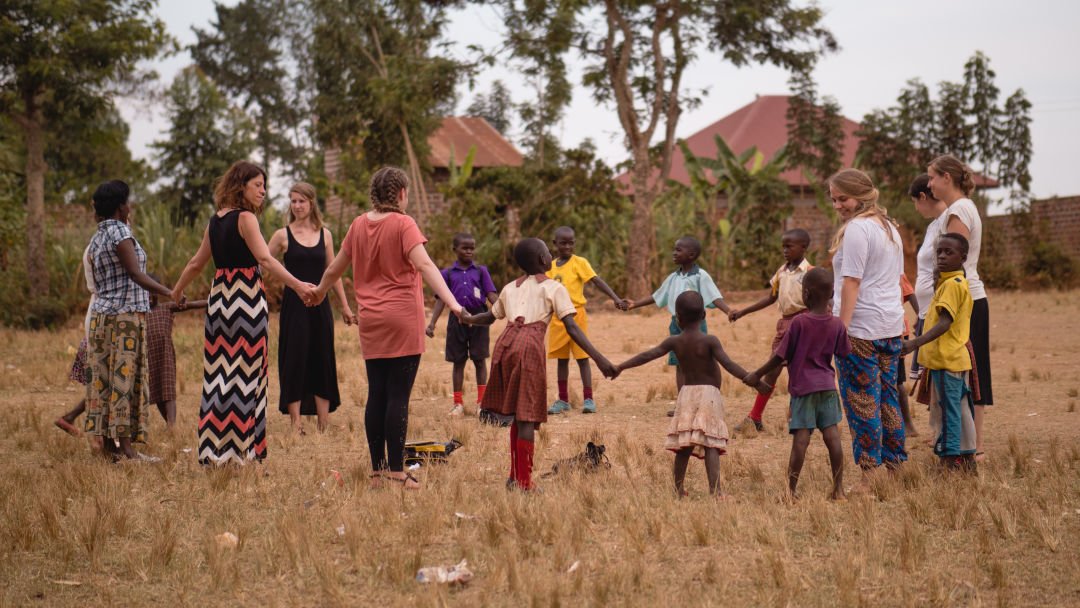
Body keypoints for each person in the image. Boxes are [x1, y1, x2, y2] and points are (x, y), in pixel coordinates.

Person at [311, 167, 463, 490]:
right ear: (402, 194)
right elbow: (424, 264)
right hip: (403, 319)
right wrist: (455, 305)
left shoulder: (357, 225)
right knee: (398, 396)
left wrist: (319, 292)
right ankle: (397, 472)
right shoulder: (403, 224)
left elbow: (335, 268)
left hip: (371, 320)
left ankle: (378, 472)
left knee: (376, 393)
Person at [173, 161, 316, 465]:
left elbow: (196, 263)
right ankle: (243, 452)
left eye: (265, 185)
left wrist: (176, 292)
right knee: (247, 374)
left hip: (219, 298)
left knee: (218, 374)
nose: (263, 191)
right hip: (246, 298)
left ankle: (214, 450)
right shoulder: (246, 218)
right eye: (257, 185)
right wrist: (298, 285)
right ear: (241, 186)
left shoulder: (215, 221)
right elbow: (265, 259)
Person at [461, 238, 616, 492]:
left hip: (505, 345)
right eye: (548, 251)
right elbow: (572, 328)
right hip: (528, 347)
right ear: (544, 260)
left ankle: (514, 477)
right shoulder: (554, 288)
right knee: (526, 417)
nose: (551, 254)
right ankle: (524, 483)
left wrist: (467, 318)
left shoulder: (510, 287)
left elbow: (490, 317)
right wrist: (600, 359)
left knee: (514, 414)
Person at [616, 291, 760, 498]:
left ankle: (678, 489)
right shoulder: (710, 340)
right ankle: (716, 491)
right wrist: (751, 379)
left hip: (686, 395)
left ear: (678, 318)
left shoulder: (675, 341)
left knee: (684, 443)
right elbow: (728, 364)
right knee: (711, 442)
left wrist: (620, 366)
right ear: (704, 315)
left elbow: (647, 355)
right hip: (709, 395)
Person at [827, 168, 906, 490]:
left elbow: (852, 281)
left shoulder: (859, 228)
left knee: (861, 401)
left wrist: (840, 329)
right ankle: (895, 464)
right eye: (833, 199)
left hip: (861, 327)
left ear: (860, 195)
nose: (838, 206)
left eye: (842, 198)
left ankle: (870, 473)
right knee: (888, 397)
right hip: (889, 324)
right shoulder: (889, 227)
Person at [84, 180, 173, 461]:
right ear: (122, 206)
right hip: (124, 318)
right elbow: (136, 274)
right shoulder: (120, 232)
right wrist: (171, 293)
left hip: (101, 317)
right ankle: (129, 451)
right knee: (124, 381)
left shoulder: (97, 236)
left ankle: (111, 448)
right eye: (128, 202)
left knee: (106, 381)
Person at [743, 268, 849, 500]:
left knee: (801, 440)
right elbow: (843, 353)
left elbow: (779, 357)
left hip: (803, 389)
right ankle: (838, 489)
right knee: (832, 437)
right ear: (832, 293)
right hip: (828, 388)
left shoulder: (799, 323)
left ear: (806, 295)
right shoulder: (838, 324)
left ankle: (791, 492)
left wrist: (757, 375)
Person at [267, 182, 354, 434]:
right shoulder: (281, 235)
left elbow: (334, 272)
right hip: (294, 308)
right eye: (293, 201)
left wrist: (346, 307)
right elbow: (262, 263)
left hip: (321, 306)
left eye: (301, 201)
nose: (297, 206)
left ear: (311, 203)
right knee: (294, 359)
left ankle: (323, 423)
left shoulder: (325, 234)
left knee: (322, 358)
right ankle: (295, 424)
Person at [928, 155, 993, 462]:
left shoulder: (959, 210)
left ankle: (972, 446)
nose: (929, 184)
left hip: (962, 302)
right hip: (956, 300)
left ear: (946, 178)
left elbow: (955, 259)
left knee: (970, 374)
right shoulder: (955, 209)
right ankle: (963, 443)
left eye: (932, 177)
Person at [624, 236, 731, 415]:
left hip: (697, 326)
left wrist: (728, 311)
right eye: (674, 249)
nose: (674, 253)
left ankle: (707, 401)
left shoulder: (700, 276)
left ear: (691, 255)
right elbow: (657, 295)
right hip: (676, 324)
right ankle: (683, 404)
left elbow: (714, 296)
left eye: (678, 250)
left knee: (703, 363)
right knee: (680, 364)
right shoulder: (673, 277)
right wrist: (635, 304)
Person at [901, 234, 976, 472]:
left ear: (963, 257)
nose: (942, 256)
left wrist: (915, 344)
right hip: (950, 360)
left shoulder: (953, 286)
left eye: (949, 252)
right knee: (959, 410)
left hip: (948, 360)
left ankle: (949, 461)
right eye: (939, 252)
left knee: (949, 412)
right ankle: (966, 461)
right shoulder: (950, 282)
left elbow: (945, 322)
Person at [728, 228, 813, 434]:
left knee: (797, 374)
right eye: (783, 246)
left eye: (789, 246)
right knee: (771, 371)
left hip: (803, 324)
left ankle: (797, 419)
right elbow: (770, 298)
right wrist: (743, 312)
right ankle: (755, 417)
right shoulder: (781, 272)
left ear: (803, 247)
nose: (785, 250)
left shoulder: (810, 273)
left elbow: (824, 299)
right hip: (784, 325)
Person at [545, 226, 627, 415]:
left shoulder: (579, 262)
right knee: (562, 360)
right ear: (555, 244)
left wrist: (615, 298)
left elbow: (597, 281)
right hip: (558, 319)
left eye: (571, 243)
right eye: (563, 243)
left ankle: (589, 399)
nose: (567, 246)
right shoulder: (550, 266)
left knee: (583, 358)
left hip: (576, 315)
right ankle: (563, 399)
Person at [425, 232, 498, 417]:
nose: (469, 251)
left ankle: (482, 402)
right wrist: (432, 323)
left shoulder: (481, 271)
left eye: (472, 248)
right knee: (458, 362)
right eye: (465, 248)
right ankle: (458, 404)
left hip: (480, 320)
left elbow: (490, 294)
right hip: (456, 321)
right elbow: (441, 300)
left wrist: (502, 307)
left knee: (480, 360)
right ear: (455, 250)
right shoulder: (447, 274)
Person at [145, 276, 206, 429]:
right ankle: (168, 424)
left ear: (158, 293)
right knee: (157, 392)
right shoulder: (140, 312)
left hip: (165, 354)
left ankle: (172, 426)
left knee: (168, 389)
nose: (149, 297)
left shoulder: (166, 307)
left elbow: (192, 305)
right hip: (149, 357)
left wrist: (213, 301)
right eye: (145, 293)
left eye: (152, 293)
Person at [907, 174, 948, 383]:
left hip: (937, 310)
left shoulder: (948, 222)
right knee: (929, 387)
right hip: (926, 312)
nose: (916, 208)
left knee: (938, 382)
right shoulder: (933, 225)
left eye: (915, 202)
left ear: (923, 196)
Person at [54, 242, 96, 436]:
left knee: (100, 387)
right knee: (103, 388)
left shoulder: (93, 246)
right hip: (100, 327)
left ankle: (70, 418)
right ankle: (101, 438)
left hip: (94, 323)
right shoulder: (106, 246)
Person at [898, 273, 920, 437]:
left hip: (897, 331)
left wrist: (921, 317)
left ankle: (907, 423)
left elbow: (910, 293)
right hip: (881, 330)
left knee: (898, 380)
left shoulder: (896, 269)